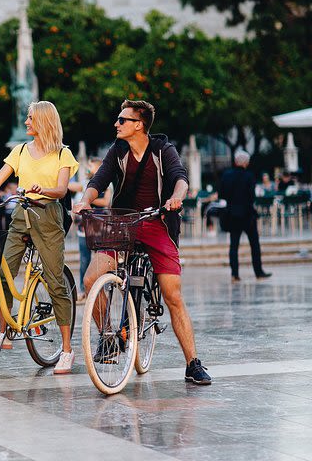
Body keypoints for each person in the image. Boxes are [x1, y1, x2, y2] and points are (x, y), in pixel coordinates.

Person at [73, 99, 212, 385]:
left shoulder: (163, 150)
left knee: (172, 295)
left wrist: (176, 198)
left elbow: (180, 179)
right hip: (123, 224)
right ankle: (109, 337)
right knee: (90, 279)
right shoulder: (118, 151)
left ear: (139, 124)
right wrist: (84, 201)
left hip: (158, 223)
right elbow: (98, 180)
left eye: (122, 120)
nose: (116, 124)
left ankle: (193, 363)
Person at [0, 100, 78, 375]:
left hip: (48, 217)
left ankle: (66, 350)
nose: (26, 123)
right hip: (21, 216)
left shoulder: (62, 154)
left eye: (30, 118)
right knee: (2, 270)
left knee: (55, 282)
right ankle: (3, 332)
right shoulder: (19, 151)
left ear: (43, 121)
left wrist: (46, 189)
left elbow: (62, 190)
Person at [219, 150, 271, 282]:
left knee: (234, 245)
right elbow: (251, 196)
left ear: (236, 161)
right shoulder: (249, 176)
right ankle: (258, 272)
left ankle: (235, 274)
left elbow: (222, 194)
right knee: (254, 244)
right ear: (246, 162)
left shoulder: (226, 175)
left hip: (232, 214)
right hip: (247, 215)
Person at [68, 157, 111, 302]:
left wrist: (88, 200)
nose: (88, 168)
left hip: (100, 226)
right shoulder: (86, 183)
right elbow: (76, 186)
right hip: (84, 227)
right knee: (84, 260)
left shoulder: (107, 184)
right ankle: (83, 290)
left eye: (91, 165)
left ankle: (102, 288)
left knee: (101, 260)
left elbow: (106, 202)